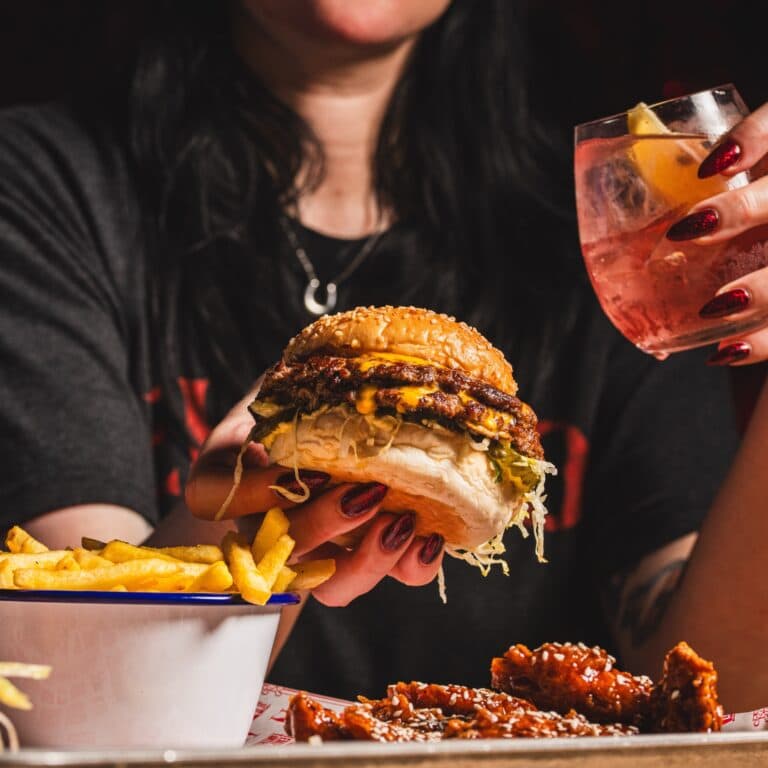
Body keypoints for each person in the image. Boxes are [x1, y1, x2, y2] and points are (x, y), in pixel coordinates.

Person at [0, 0, 766, 712]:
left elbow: (718, 686)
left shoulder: (619, 227)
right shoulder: (44, 191)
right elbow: (73, 691)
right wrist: (254, 536)